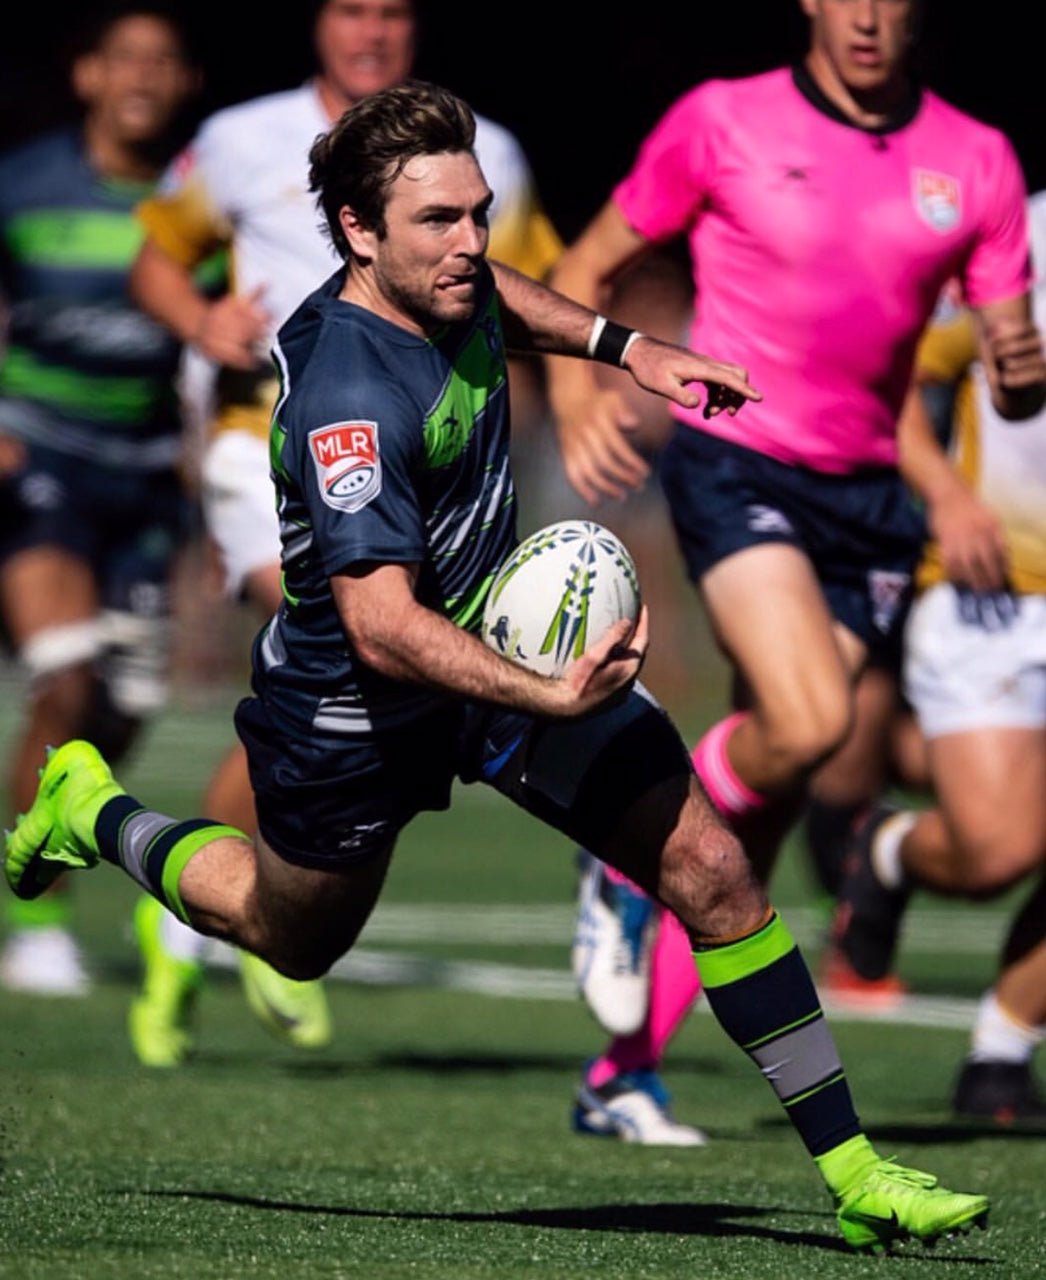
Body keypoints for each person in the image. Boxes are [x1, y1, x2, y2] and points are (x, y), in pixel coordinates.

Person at [5, 79, 993, 1256]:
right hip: (357, 705)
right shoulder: (348, 394)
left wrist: (628, 348)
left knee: (713, 868)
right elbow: (379, 624)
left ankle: (854, 1168)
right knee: (287, 931)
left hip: (499, 650)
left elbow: (499, 299)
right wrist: (544, 690)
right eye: (437, 222)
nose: (470, 241)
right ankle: (95, 810)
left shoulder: (448, 277)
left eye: (476, 212)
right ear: (359, 235)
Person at [545, 0, 1046, 1135]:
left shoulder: (975, 159)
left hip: (869, 501)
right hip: (739, 456)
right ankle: (621, 855)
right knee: (811, 724)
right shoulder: (721, 121)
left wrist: (1017, 374)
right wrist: (579, 393)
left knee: (748, 827)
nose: (868, 15)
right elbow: (589, 263)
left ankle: (620, 1072)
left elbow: (1009, 377)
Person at [124, 0, 564, 1067]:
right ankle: (256, 906)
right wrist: (200, 321)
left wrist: (598, 382)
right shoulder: (237, 138)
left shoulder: (478, 150)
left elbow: (530, 281)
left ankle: (232, 903)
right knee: (338, 625)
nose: (372, 33)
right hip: (258, 444)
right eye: (351, 12)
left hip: (414, 457)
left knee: (359, 684)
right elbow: (155, 254)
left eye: (394, 14)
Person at [828, 189, 1046, 1124]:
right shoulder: (1017, 240)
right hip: (997, 590)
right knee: (1000, 850)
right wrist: (949, 502)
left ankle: (1002, 1046)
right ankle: (889, 850)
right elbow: (894, 377)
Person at [0, 1, 202, 997]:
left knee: (124, 708)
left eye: (163, 62)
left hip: (151, 476)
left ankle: (46, 842)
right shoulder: (23, 182)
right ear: (87, 74)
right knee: (67, 680)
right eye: (124, 57)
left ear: (184, 84)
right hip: (41, 460)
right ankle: (30, 919)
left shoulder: (198, 199)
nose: (143, 76)